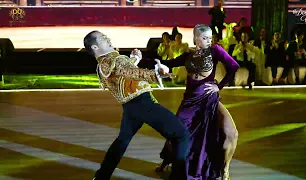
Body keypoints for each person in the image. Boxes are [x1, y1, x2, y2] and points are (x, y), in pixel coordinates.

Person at [83, 30, 190, 180]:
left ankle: (101, 177)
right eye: (102, 37)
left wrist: (134, 60)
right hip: (142, 104)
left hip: (131, 107)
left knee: (122, 141)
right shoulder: (110, 61)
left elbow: (124, 72)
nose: (107, 37)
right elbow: (128, 72)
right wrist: (155, 73)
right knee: (181, 135)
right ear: (95, 47)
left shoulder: (107, 61)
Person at [155, 24, 239, 180]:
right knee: (176, 132)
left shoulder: (215, 51)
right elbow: (169, 63)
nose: (209, 41)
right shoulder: (188, 55)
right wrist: (142, 60)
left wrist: (218, 86)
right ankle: (167, 160)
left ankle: (225, 169)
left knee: (231, 133)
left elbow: (234, 66)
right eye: (205, 38)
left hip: (209, 101)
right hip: (190, 102)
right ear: (196, 38)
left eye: (210, 37)